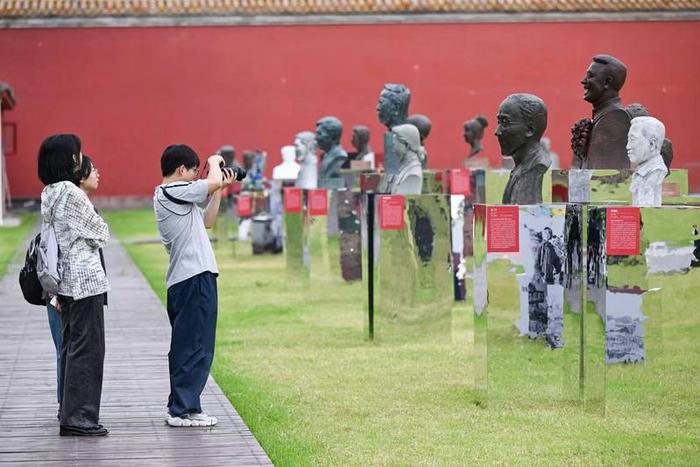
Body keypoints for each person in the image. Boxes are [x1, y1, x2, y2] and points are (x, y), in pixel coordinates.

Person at [153, 144, 235, 427]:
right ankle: (183, 409)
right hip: (193, 278)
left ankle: (183, 405)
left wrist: (220, 189)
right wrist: (214, 162)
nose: (194, 179)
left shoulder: (177, 199)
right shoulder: (170, 191)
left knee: (193, 343)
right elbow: (208, 183)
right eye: (193, 172)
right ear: (181, 170)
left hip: (192, 278)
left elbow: (208, 221)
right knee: (194, 345)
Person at [38, 134, 110, 436]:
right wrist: (96, 225)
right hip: (85, 281)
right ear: (68, 159)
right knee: (88, 351)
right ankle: (79, 419)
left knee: (71, 348)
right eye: (77, 154)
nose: (80, 159)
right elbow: (100, 232)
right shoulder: (71, 192)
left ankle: (70, 413)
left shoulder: (50, 191)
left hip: (66, 282)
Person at [575, 54, 631, 169]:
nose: (583, 81)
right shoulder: (603, 115)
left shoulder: (614, 119)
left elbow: (604, 179)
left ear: (607, 82)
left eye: (590, 76)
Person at [496, 93, 551, 204]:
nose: (497, 131)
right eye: (499, 122)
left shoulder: (535, 167)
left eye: (505, 123)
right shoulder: (522, 167)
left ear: (529, 130)